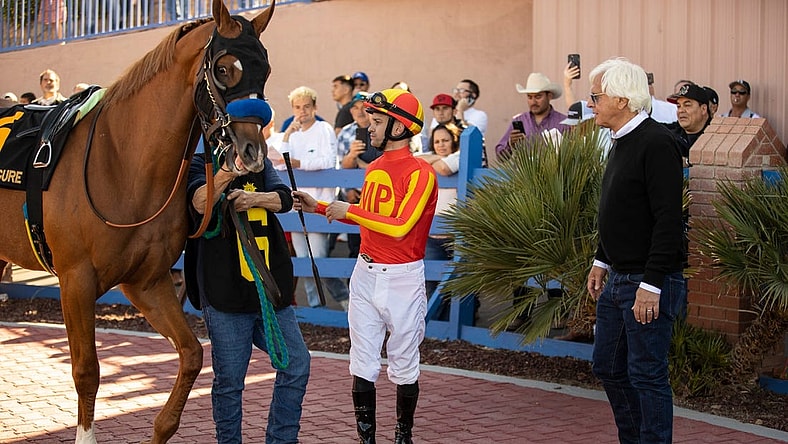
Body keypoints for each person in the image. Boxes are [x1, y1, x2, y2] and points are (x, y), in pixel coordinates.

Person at [292, 88, 437, 444]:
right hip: (366, 273)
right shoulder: (374, 168)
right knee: (361, 359)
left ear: (400, 127)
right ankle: (366, 439)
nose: (368, 128)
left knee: (404, 360)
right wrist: (318, 207)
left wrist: (349, 210)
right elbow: (368, 220)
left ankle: (403, 437)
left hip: (403, 277)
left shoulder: (421, 173)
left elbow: (401, 225)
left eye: (376, 121)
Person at [586, 57, 686, 444]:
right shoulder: (620, 140)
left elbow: (667, 222)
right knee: (607, 366)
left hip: (647, 281)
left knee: (647, 373)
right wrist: (601, 258)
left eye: (596, 96)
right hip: (619, 277)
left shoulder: (656, 143)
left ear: (623, 99)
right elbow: (620, 208)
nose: (590, 104)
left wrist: (652, 284)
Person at [184, 149, 311, 443]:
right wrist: (228, 172)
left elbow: (283, 198)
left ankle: (281, 439)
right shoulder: (197, 162)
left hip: (269, 289)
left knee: (297, 364)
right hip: (224, 293)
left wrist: (253, 198)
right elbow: (199, 201)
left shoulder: (260, 161)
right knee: (229, 381)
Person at [278, 86, 349, 309]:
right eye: (297, 107)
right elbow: (280, 160)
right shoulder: (292, 133)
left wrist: (299, 164)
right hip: (296, 206)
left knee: (317, 259)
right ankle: (316, 307)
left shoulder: (324, 129)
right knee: (303, 261)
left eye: (306, 106)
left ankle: (345, 301)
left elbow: (328, 161)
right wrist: (288, 135)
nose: (302, 111)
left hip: (319, 206)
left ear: (315, 107)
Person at [417, 123, 462, 302]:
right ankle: (432, 328)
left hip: (453, 236)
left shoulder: (459, 156)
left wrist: (433, 159)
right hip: (431, 235)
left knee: (453, 286)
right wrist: (437, 158)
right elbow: (416, 160)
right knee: (429, 284)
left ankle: (448, 327)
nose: (441, 144)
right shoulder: (437, 157)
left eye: (445, 140)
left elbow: (444, 168)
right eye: (437, 141)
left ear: (454, 141)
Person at [337, 91, 381, 259]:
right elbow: (342, 167)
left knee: (378, 244)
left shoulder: (381, 130)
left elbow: (384, 165)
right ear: (351, 112)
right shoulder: (346, 133)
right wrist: (348, 190)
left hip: (379, 196)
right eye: (355, 108)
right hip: (355, 197)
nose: (360, 112)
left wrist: (360, 163)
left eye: (364, 107)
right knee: (356, 246)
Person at [495, 72, 570, 158]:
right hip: (523, 171)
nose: (533, 102)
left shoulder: (564, 123)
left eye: (538, 97)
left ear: (549, 96)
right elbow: (500, 156)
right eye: (529, 97)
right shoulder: (519, 120)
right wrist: (510, 144)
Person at [666, 83, 709, 158]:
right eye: (678, 106)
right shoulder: (670, 138)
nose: (681, 111)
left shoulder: (716, 137)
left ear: (703, 109)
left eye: (687, 105)